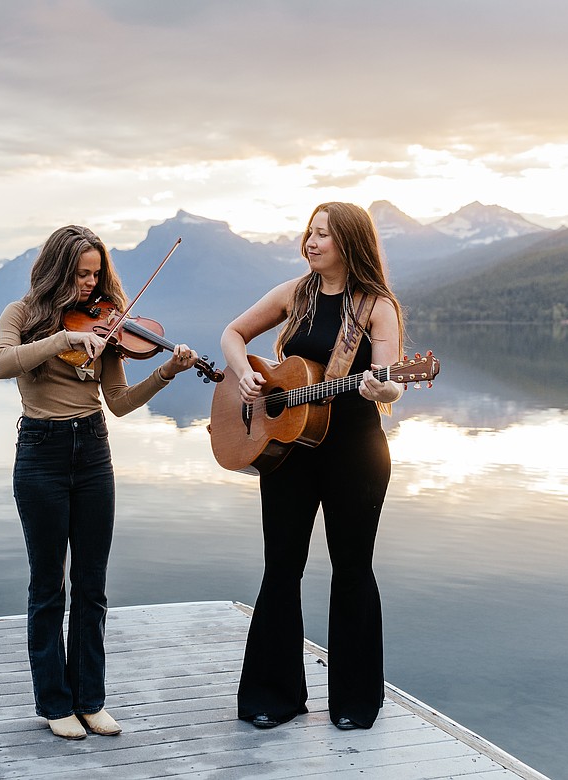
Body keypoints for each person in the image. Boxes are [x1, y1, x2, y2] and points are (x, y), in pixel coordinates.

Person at [0, 225, 200, 741]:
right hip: (41, 453)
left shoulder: (108, 324)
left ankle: (89, 698)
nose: (90, 284)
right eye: (81, 274)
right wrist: (65, 338)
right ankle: (54, 703)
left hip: (93, 453)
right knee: (47, 586)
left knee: (92, 586)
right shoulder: (21, 316)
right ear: (58, 269)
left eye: (96, 274)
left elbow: (121, 403)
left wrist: (168, 372)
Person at [220, 202, 405, 731]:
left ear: (349, 242)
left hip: (355, 454)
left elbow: (389, 378)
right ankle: (271, 697)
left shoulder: (376, 306)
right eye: (310, 232)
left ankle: (354, 703)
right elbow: (233, 334)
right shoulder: (293, 294)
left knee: (351, 571)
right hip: (288, 453)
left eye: (323, 234)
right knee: (281, 568)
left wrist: (384, 385)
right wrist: (248, 376)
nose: (312, 241)